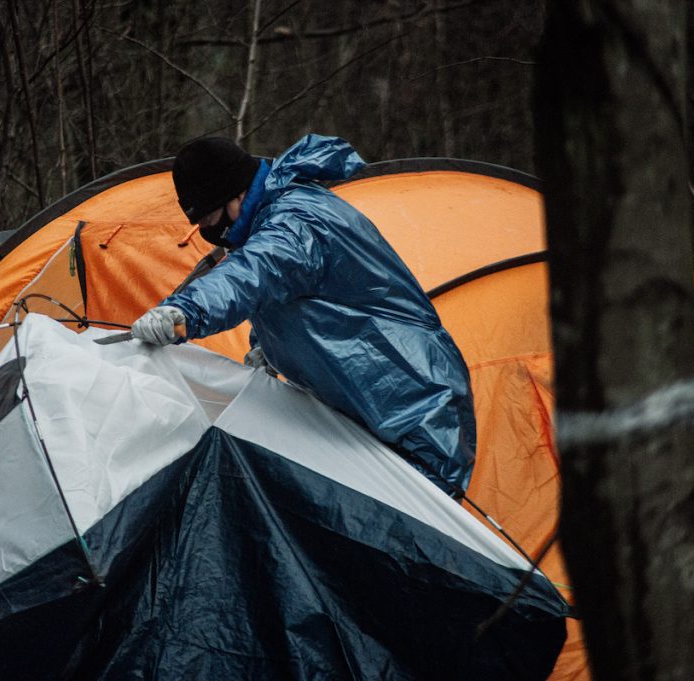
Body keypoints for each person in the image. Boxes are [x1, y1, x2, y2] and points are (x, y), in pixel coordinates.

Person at [131, 134, 476, 493]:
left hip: (415, 413)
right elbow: (292, 297)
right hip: (377, 413)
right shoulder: (275, 214)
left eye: (210, 217)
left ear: (236, 194)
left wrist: (183, 311)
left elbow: (253, 274)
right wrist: (271, 346)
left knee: (402, 541)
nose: (208, 231)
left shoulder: (297, 221)